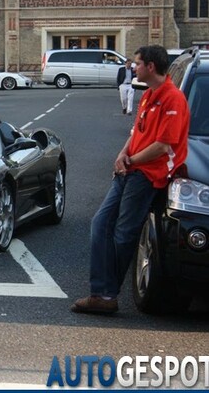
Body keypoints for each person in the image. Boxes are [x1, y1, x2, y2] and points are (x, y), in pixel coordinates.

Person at [71, 45, 190, 314]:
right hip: (130, 168)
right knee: (100, 224)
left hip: (148, 174)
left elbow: (163, 145)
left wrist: (132, 161)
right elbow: (137, 133)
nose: (133, 68)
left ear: (150, 66)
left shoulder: (173, 99)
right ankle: (101, 291)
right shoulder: (148, 95)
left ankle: (105, 294)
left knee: (124, 234)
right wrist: (122, 154)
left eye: (137, 63)